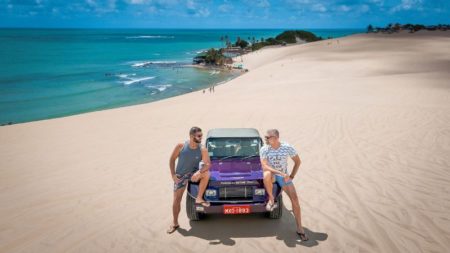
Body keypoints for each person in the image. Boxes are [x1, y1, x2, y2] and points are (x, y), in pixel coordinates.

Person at [260, 129, 309, 241]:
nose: (266, 139)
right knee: (266, 174)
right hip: (272, 175)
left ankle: (300, 228)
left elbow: (298, 161)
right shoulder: (264, 149)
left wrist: (291, 176)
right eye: (265, 137)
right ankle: (271, 199)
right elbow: (265, 166)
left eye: (268, 137)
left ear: (276, 137)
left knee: (295, 199)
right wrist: (279, 172)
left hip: (284, 177)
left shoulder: (287, 147)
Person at [167, 127, 211, 234]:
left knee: (206, 174)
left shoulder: (202, 149)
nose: (201, 137)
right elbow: (172, 159)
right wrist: (173, 174)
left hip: (193, 174)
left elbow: (208, 164)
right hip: (180, 176)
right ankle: (175, 223)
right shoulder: (180, 146)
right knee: (177, 199)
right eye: (199, 136)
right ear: (192, 136)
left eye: (202, 135)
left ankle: (199, 198)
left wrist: (199, 172)